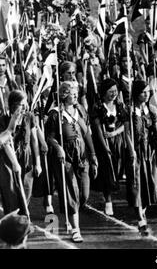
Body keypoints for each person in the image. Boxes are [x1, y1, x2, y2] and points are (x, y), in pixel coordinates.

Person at [45, 81, 98, 243]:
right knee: (71, 191)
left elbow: (87, 133)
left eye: (76, 92)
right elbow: (50, 137)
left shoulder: (80, 110)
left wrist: (93, 154)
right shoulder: (56, 114)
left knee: (84, 193)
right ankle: (76, 229)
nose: (75, 95)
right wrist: (58, 148)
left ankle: (73, 209)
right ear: (63, 95)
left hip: (81, 157)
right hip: (64, 158)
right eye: (71, 93)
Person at [91, 78, 135, 216]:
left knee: (118, 169)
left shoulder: (120, 106)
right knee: (107, 172)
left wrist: (114, 133)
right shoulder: (98, 107)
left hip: (118, 141)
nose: (113, 94)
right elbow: (97, 128)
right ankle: (108, 201)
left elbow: (126, 125)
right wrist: (105, 146)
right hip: (104, 143)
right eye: (110, 91)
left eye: (115, 91)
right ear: (104, 92)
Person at [131, 80, 157, 235]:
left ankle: (142, 209)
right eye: (143, 92)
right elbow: (127, 132)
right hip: (136, 151)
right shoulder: (130, 111)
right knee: (138, 184)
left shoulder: (152, 110)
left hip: (150, 150)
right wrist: (131, 150)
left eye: (148, 92)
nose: (146, 95)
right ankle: (140, 219)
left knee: (151, 184)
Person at [0, 91, 44, 210]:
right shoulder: (4, 119)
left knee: (26, 191)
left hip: (26, 158)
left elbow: (34, 141)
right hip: (10, 159)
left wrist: (38, 163)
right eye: (21, 104)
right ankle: (13, 219)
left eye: (25, 103)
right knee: (12, 194)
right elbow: (5, 142)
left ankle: (23, 217)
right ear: (13, 104)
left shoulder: (29, 117)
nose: (24, 106)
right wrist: (14, 163)